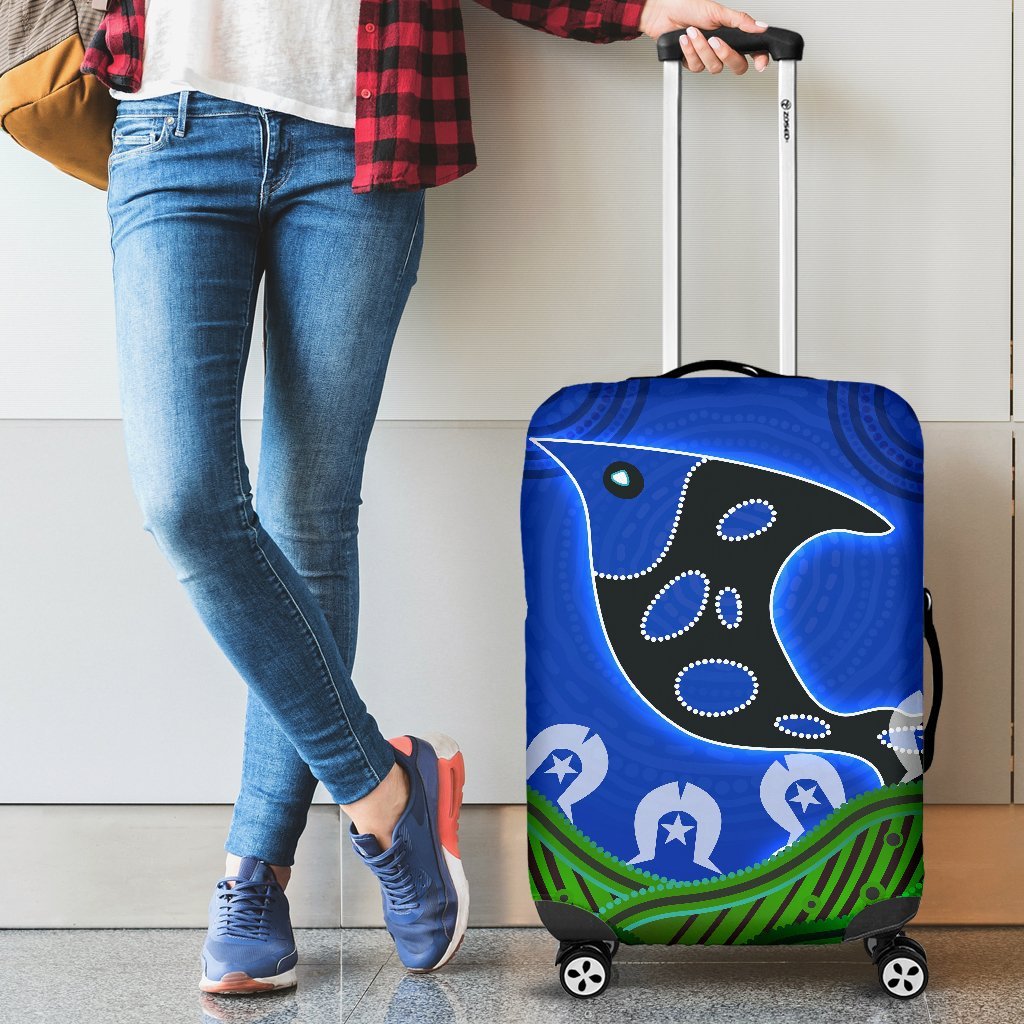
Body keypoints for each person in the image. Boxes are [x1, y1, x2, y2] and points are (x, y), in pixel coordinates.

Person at [85, 0, 770, 997]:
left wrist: (638, 8)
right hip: (170, 122)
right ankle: (384, 785)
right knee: (186, 499)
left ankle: (256, 873)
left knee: (308, 509)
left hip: (358, 134)